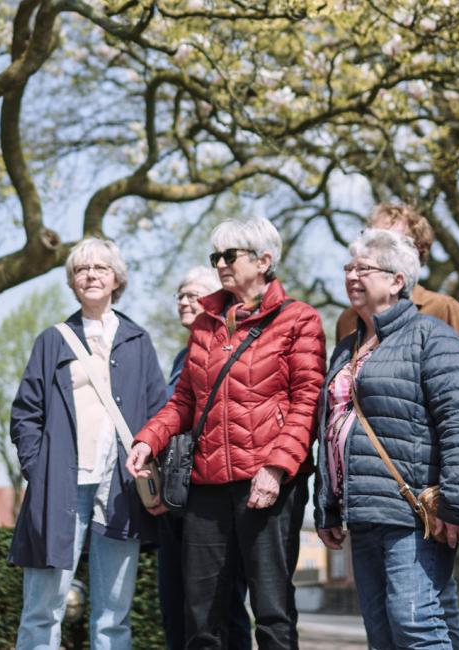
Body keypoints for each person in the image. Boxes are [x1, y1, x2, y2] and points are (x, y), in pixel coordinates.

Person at [126, 216, 325, 650]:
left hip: (268, 484)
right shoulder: (205, 325)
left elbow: (307, 402)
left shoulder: (298, 320)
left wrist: (275, 469)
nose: (219, 264)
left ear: (264, 260)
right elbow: (183, 402)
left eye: (229, 255)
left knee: (271, 613)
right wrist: (148, 439)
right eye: (214, 256)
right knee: (202, 616)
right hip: (207, 487)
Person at [315, 229, 459, 648]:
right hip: (364, 512)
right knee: (382, 633)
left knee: (416, 623)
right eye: (348, 267)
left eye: (364, 268)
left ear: (396, 280)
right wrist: (327, 506)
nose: (352, 275)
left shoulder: (433, 337)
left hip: (412, 514)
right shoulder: (347, 349)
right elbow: (333, 427)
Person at [8, 238, 168, 650]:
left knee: (113, 617)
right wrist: (39, 469)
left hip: (120, 491)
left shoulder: (138, 341)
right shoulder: (52, 340)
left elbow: (159, 414)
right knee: (42, 611)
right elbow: (26, 413)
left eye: (100, 268)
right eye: (82, 269)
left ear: (117, 278)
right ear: (72, 281)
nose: (91, 275)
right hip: (58, 489)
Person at [156, 267, 252, 650]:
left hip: (214, 496)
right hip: (179, 496)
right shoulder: (184, 354)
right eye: (179, 294)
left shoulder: (232, 347)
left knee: (223, 606)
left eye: (192, 294)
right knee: (177, 606)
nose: (183, 300)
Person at [333, 204, 459, 418]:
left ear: (417, 251)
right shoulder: (348, 319)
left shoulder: (442, 309)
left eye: (390, 240)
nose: (376, 247)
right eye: (372, 238)